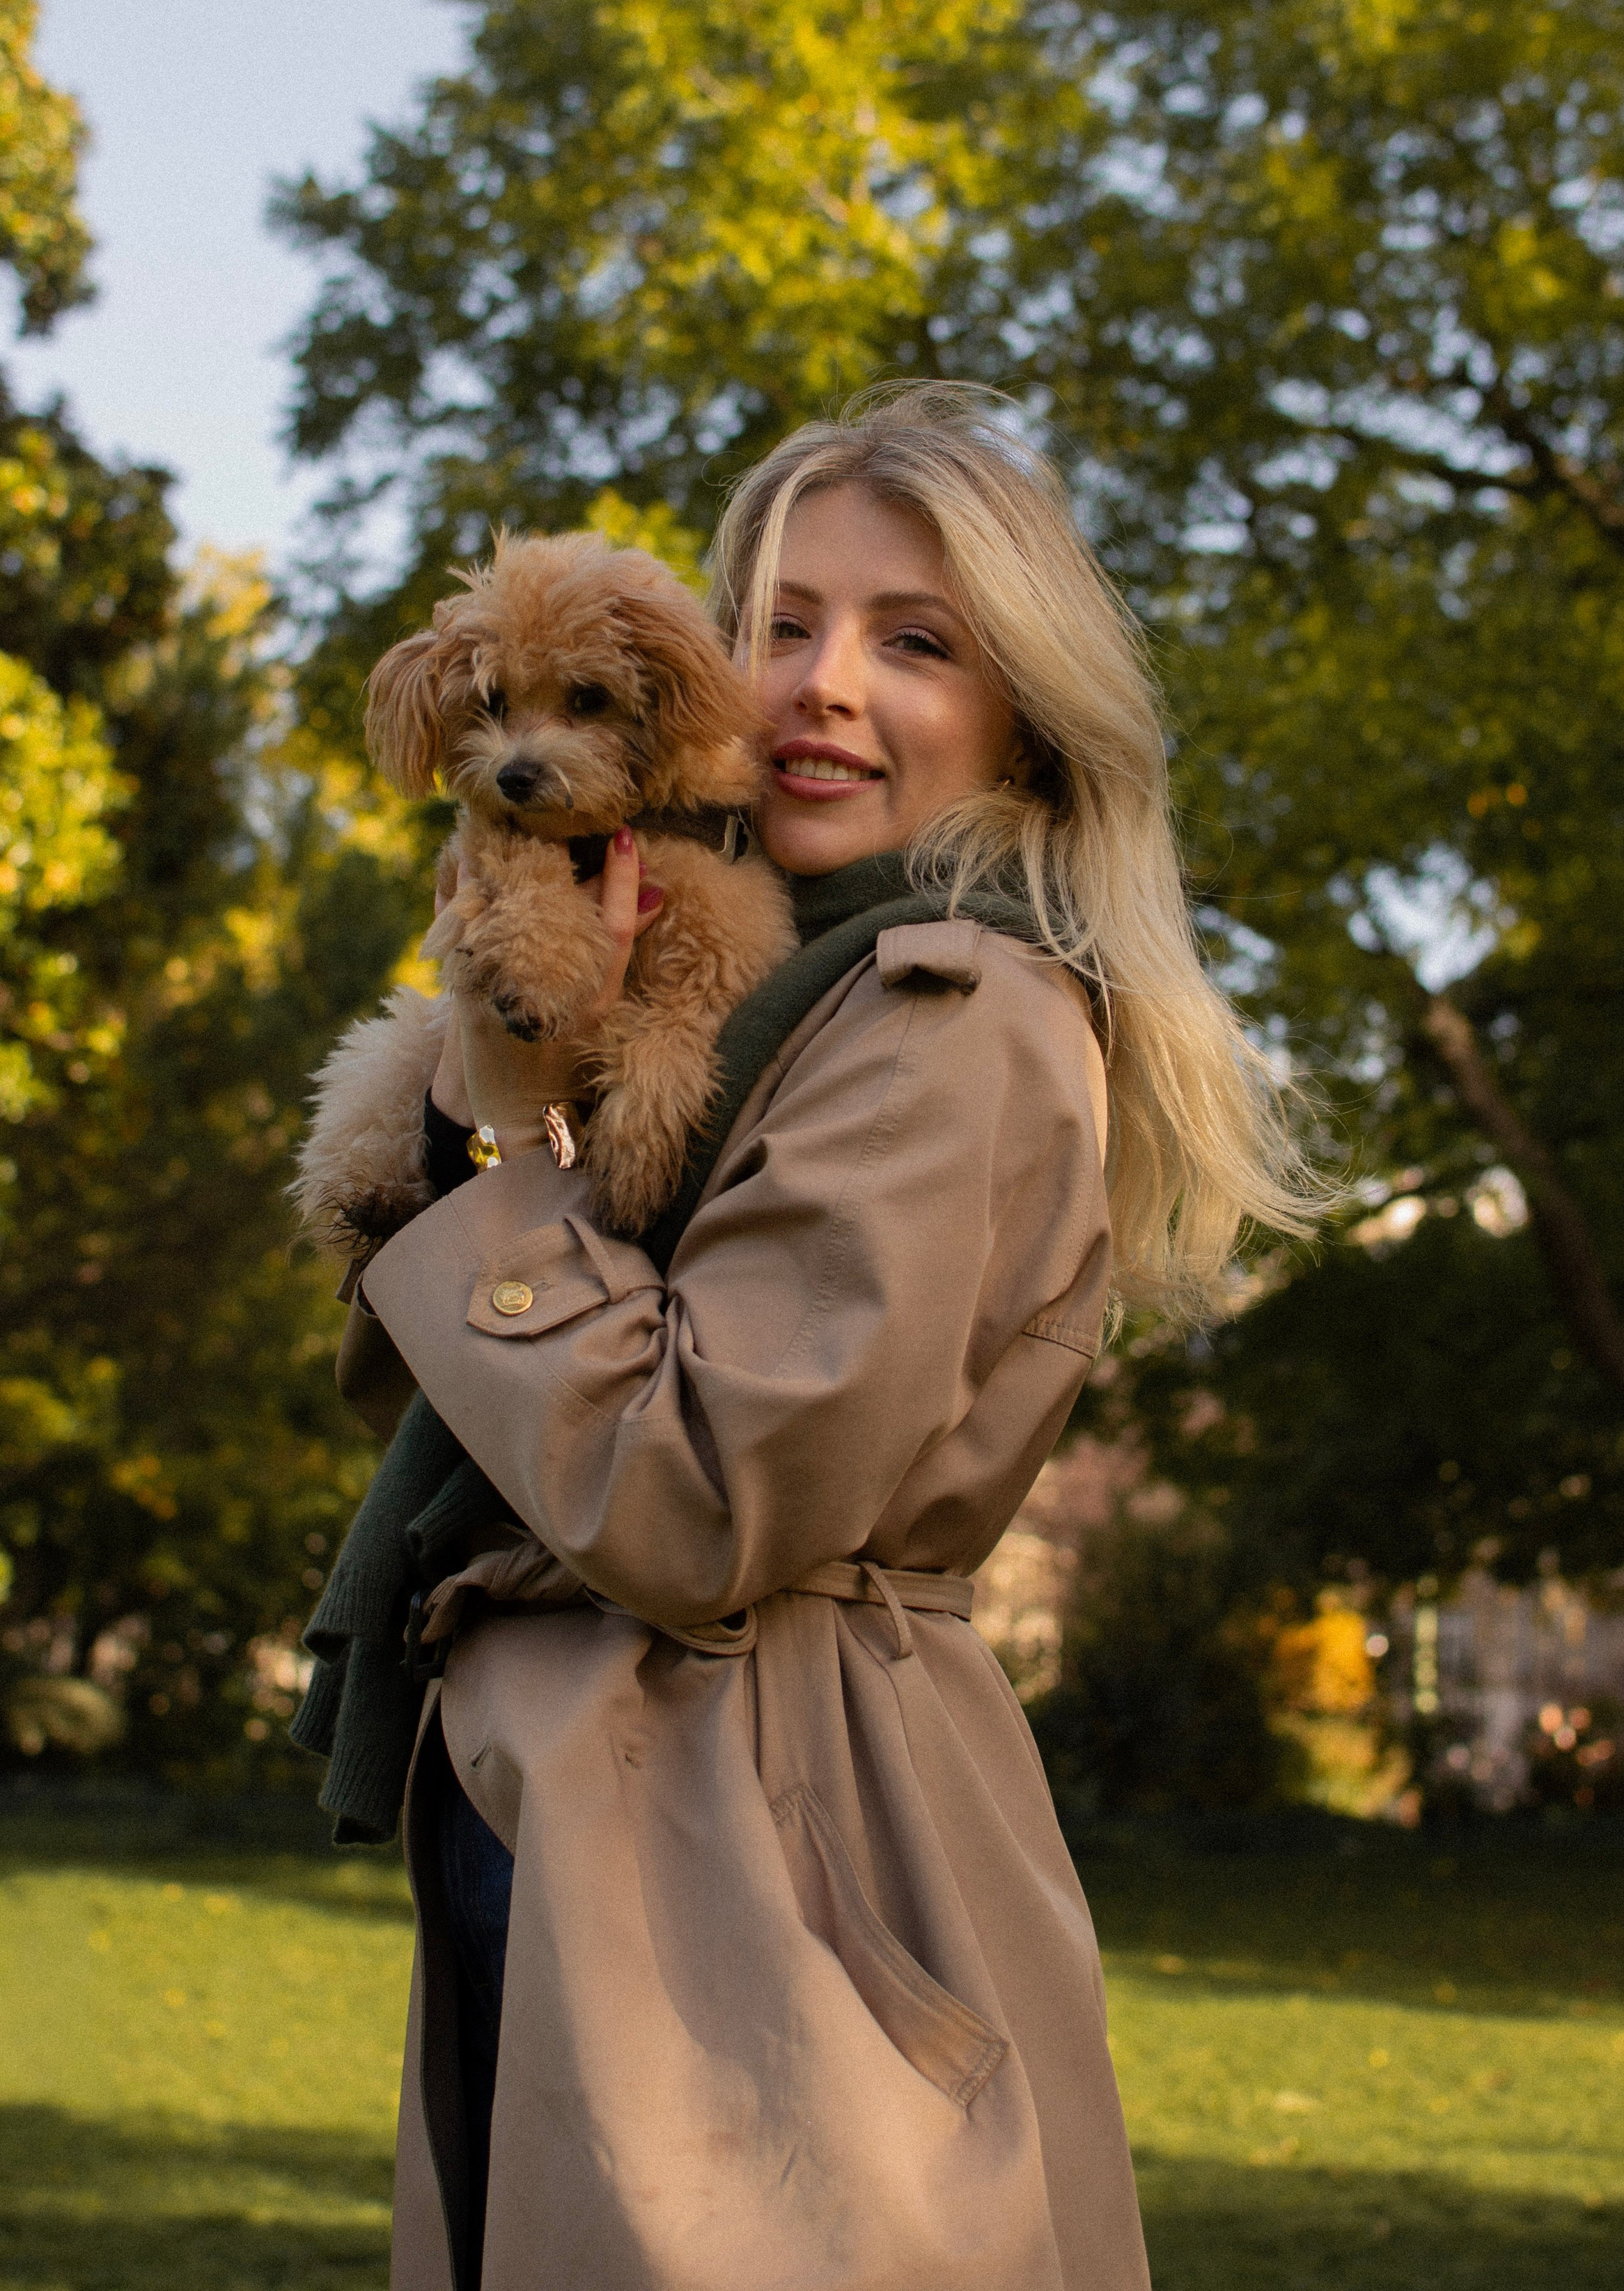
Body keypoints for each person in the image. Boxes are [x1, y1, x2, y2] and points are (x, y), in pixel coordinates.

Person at [337, 386, 1313, 2291]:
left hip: (765, 1836)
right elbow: (432, 1364)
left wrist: (510, 1142)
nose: (821, 688)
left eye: (915, 642)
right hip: (604, 1801)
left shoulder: (956, 1008)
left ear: (1022, 708)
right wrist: (496, 1100)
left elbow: (693, 1489)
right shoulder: (753, 974)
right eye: (779, 624)